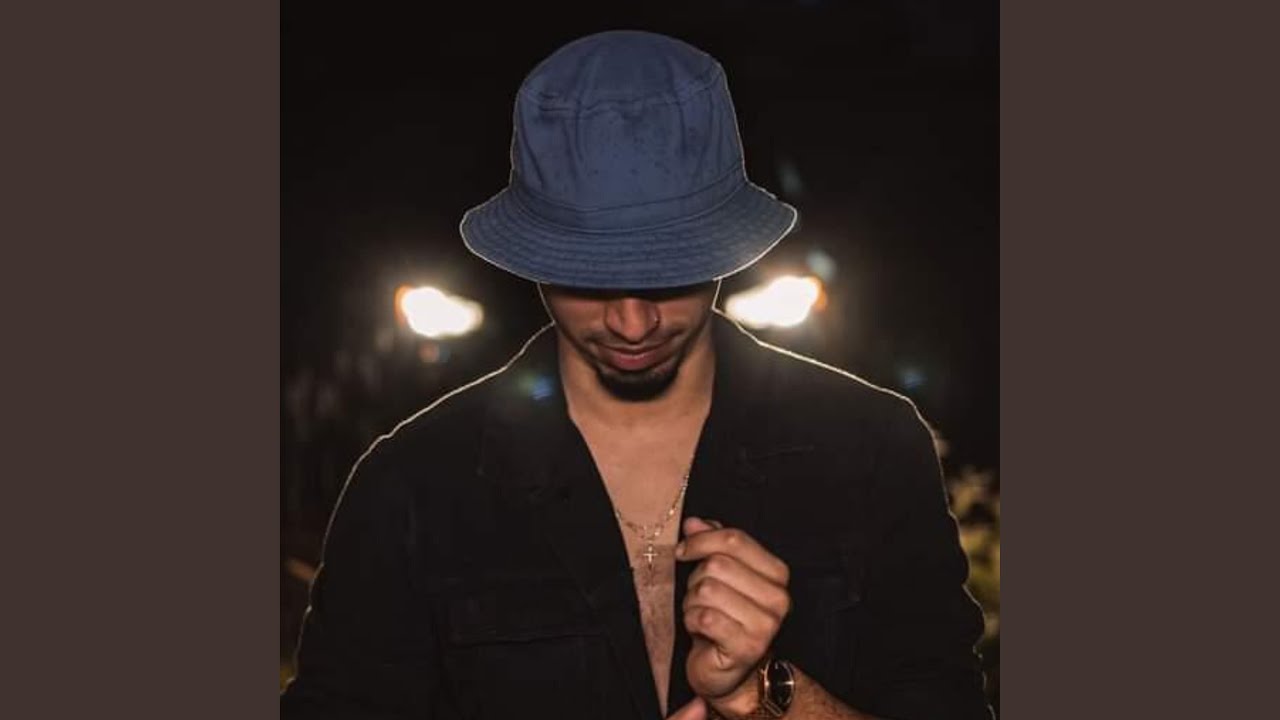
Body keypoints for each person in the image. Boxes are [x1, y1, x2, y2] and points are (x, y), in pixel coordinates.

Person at [282, 30, 991, 720]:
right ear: (533, 259)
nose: (630, 322)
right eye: (586, 279)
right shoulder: (412, 487)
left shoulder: (870, 449)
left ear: (724, 247)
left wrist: (765, 697)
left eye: (668, 273)